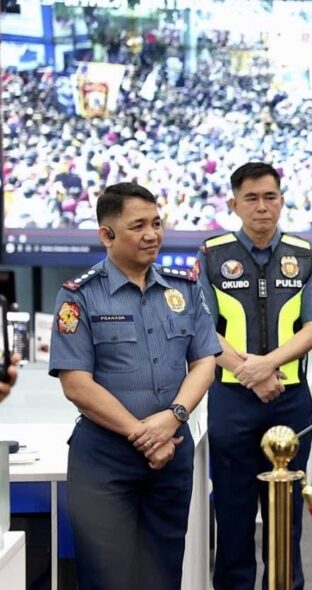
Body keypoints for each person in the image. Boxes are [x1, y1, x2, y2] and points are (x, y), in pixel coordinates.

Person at [49, 182, 220, 590]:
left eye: (156, 223)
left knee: (163, 574)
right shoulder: (79, 297)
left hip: (171, 454)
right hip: (104, 459)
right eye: (138, 226)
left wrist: (173, 418)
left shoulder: (185, 289)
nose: (152, 234)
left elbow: (204, 363)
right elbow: (76, 384)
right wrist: (143, 434)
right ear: (106, 235)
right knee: (106, 577)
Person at [196, 162, 312, 590]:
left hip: (289, 400)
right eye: (252, 198)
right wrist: (249, 372)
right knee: (232, 510)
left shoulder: (304, 254)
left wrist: (266, 365)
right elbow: (203, 329)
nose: (262, 207)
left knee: (286, 512)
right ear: (234, 204)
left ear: (281, 200)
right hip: (231, 400)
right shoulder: (212, 254)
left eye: (270, 197)